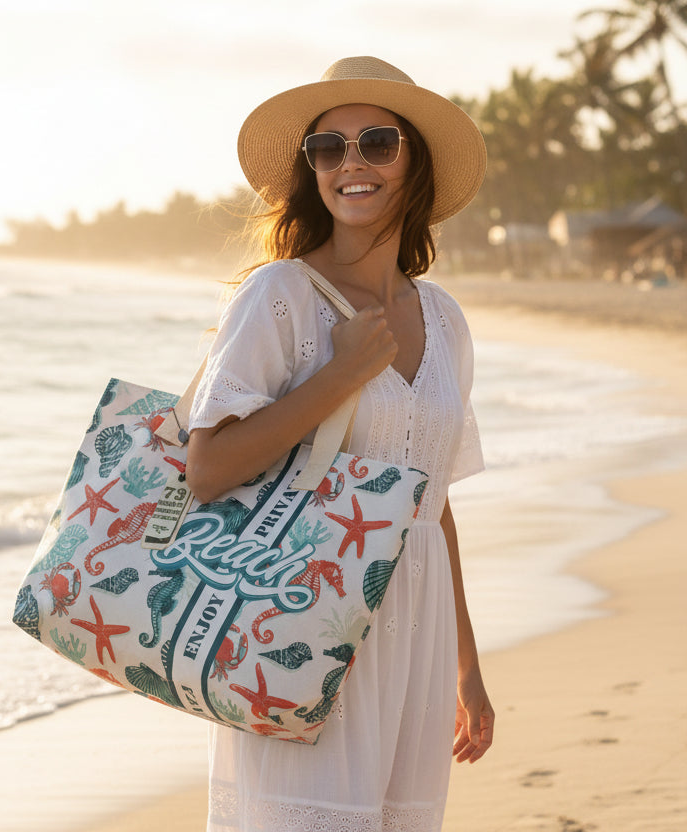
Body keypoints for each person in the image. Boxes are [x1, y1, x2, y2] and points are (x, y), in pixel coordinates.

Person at [185, 56, 494, 832]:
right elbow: (209, 468)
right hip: (303, 618)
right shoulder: (280, 296)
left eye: (377, 142)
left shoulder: (446, 319)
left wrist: (468, 669)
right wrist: (343, 374)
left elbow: (434, 505)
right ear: (311, 172)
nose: (351, 163)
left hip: (415, 630)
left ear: (413, 163)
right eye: (329, 149)